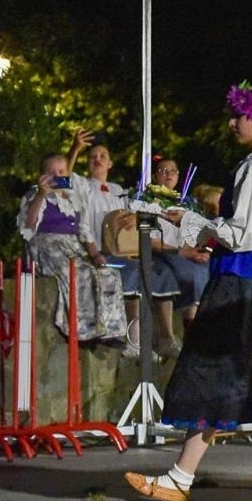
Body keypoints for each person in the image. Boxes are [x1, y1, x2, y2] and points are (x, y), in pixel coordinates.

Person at [124, 84, 252, 501]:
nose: (233, 123)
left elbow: (242, 235)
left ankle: (180, 477)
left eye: (240, 116)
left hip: (243, 282)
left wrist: (192, 219)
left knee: (216, 374)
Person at [72, 131, 182, 357]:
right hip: (100, 255)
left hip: (124, 253)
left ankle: (165, 338)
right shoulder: (82, 186)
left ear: (110, 163)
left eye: (103, 155)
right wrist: (75, 149)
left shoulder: (119, 191)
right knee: (132, 272)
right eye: (93, 156)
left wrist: (136, 217)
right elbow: (63, 179)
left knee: (161, 274)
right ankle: (134, 341)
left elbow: (143, 214)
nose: (98, 159)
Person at [17, 152, 129, 344]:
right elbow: (27, 226)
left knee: (109, 275)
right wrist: (41, 196)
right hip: (46, 246)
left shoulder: (73, 198)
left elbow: (84, 230)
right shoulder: (35, 195)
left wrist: (95, 254)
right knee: (79, 273)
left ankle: (109, 330)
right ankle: (82, 332)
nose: (57, 175)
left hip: (71, 246)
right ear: (43, 175)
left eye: (61, 171)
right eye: (51, 172)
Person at [152, 156, 212, 325]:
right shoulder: (147, 202)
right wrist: (185, 252)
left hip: (185, 253)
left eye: (173, 171)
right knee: (193, 273)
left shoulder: (187, 205)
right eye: (163, 171)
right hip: (162, 254)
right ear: (155, 176)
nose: (168, 174)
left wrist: (198, 251)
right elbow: (150, 240)